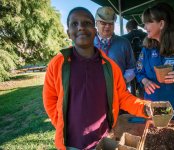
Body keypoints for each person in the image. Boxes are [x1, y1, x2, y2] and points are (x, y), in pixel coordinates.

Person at [43, 7, 151, 150]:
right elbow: (50, 101)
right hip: (70, 144)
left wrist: (145, 107)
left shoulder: (110, 67)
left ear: (94, 31)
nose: (81, 27)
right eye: (74, 24)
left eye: (87, 23)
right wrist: (62, 124)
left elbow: (123, 97)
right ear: (68, 33)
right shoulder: (57, 65)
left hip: (104, 140)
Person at [135, 2, 174, 120]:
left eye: (148, 22)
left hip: (172, 104)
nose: (145, 27)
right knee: (152, 132)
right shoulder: (147, 47)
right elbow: (138, 71)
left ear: (161, 24)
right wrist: (145, 81)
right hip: (151, 103)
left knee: (172, 133)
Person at [94, 6, 135, 88]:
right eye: (103, 23)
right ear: (96, 23)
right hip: (94, 91)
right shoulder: (87, 44)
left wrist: (123, 80)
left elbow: (132, 68)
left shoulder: (124, 43)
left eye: (111, 23)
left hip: (119, 91)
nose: (107, 26)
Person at [122, 19, 147, 98]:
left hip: (130, 67)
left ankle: (133, 102)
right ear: (137, 26)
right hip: (145, 66)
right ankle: (143, 101)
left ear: (127, 29)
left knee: (132, 86)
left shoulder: (123, 38)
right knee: (144, 86)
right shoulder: (146, 35)